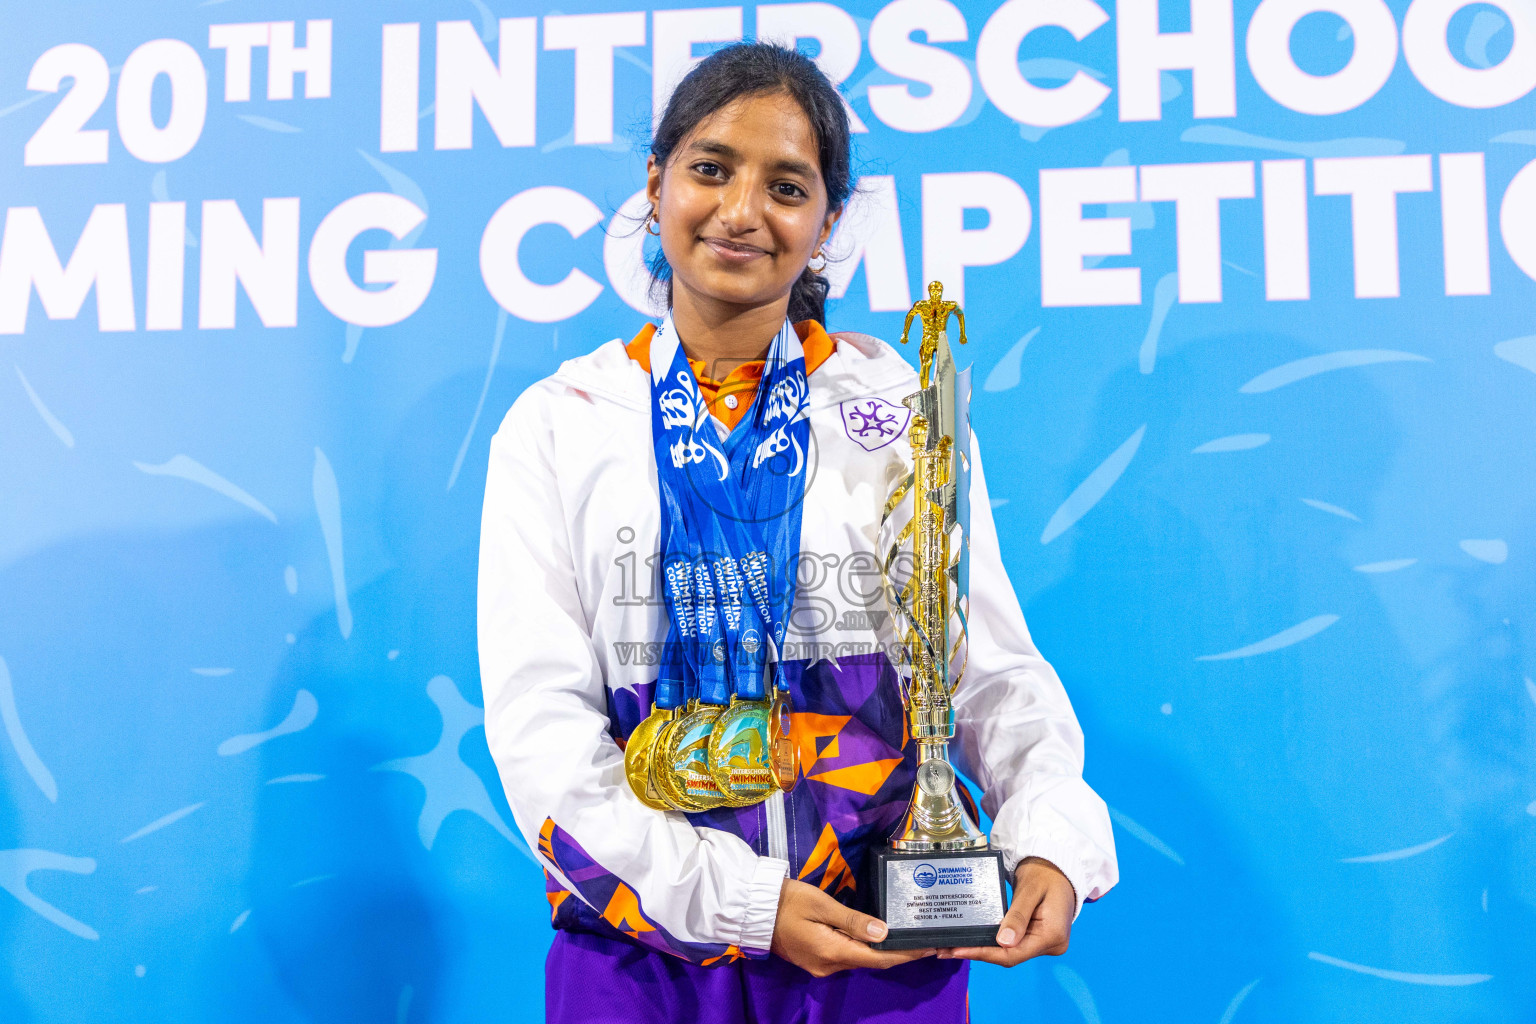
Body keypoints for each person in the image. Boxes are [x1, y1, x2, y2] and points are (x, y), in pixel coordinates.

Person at [478, 42, 1117, 1023]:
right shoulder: (563, 422)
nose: (741, 210)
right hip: (641, 968)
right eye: (709, 169)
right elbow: (542, 737)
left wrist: (1049, 838)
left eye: (786, 185)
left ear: (825, 225)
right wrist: (742, 903)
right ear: (656, 185)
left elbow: (985, 665)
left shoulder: (897, 408)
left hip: (876, 956)